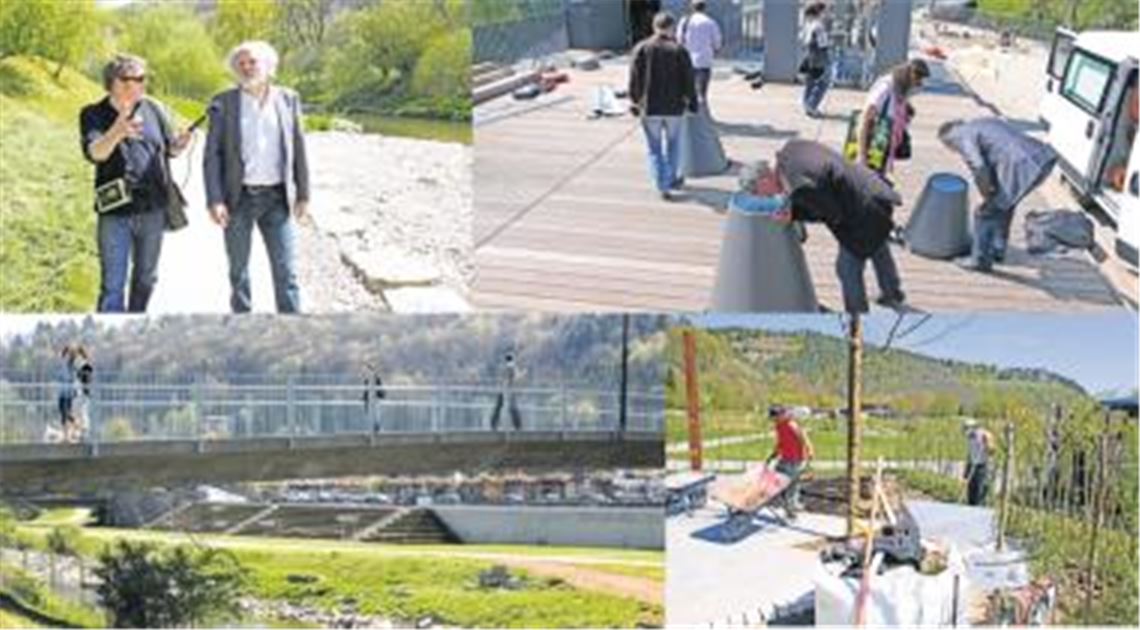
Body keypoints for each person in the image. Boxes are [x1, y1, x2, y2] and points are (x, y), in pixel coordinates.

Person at [80, 54, 192, 312]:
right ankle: (109, 338)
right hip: (115, 210)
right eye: (126, 79)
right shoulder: (93, 113)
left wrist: (178, 145)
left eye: (140, 79)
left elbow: (168, 150)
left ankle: (135, 321)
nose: (134, 85)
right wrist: (117, 132)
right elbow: (95, 153)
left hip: (152, 208)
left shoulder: (154, 108)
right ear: (110, 82)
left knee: (146, 279)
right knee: (112, 286)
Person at [205, 40, 309, 314]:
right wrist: (215, 200)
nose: (247, 67)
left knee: (286, 271)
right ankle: (243, 324)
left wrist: (303, 195)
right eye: (241, 63)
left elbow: (298, 148)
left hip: (277, 198)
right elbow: (212, 156)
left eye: (252, 62)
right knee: (238, 272)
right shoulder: (222, 102)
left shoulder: (288, 99)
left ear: (268, 66)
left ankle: (292, 328)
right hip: (238, 199)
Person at [748, 140, 907, 312]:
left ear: (764, 180)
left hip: (863, 213)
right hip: (874, 190)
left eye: (760, 192)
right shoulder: (791, 148)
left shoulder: (799, 185)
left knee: (847, 270)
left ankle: (858, 320)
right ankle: (893, 292)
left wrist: (794, 213)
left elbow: (832, 214)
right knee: (878, 243)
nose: (766, 197)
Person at [938, 117, 1058, 272]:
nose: (954, 150)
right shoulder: (982, 123)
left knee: (984, 213)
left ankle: (979, 260)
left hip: (1020, 165)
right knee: (1004, 204)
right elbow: (997, 152)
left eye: (951, 147)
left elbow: (979, 166)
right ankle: (997, 248)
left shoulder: (961, 135)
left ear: (948, 140)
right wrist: (991, 190)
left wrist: (986, 193)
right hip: (1042, 158)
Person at [628, 11, 700, 200]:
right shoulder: (679, 50)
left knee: (654, 148)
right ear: (671, 28)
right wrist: (693, 104)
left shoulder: (641, 48)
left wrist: (634, 101)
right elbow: (689, 81)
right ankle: (671, 178)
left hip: (649, 107)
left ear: (654, 27)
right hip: (674, 108)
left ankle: (663, 185)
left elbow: (634, 79)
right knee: (674, 144)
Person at [856, 59, 929, 180]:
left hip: (881, 151)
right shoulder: (886, 87)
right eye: (917, 80)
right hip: (871, 150)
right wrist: (862, 157)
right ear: (911, 74)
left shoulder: (898, 89)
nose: (917, 85)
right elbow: (865, 118)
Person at [764, 405, 814, 521]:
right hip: (785, 458)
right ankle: (792, 504)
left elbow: (803, 437)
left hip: (796, 459)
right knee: (781, 480)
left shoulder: (791, 425)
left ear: (782, 415)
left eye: (776, 417)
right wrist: (774, 454)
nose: (774, 420)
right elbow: (781, 441)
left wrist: (809, 450)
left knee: (791, 484)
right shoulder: (779, 426)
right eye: (773, 418)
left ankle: (791, 510)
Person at [678, 0, 722, 106]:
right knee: (702, 83)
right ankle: (702, 100)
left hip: (687, 57)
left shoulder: (685, 21)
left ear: (692, 8)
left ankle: (689, 101)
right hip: (704, 58)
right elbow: (717, 40)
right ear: (704, 8)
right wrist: (716, 49)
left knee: (688, 82)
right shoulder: (710, 22)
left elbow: (679, 39)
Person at [799, 2, 831, 118]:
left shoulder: (809, 25)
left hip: (810, 57)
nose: (826, 14)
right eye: (825, 11)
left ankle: (807, 104)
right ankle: (812, 106)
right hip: (819, 58)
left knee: (810, 82)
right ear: (819, 12)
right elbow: (823, 45)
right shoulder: (818, 26)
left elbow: (806, 42)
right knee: (823, 83)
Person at [962, 419, 994, 506]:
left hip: (982, 468)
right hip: (972, 466)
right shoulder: (970, 438)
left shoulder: (984, 435)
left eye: (966, 428)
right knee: (970, 494)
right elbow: (970, 454)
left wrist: (987, 443)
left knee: (979, 494)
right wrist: (966, 471)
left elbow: (992, 451)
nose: (965, 431)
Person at [489, 352, 521, 431]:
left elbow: (505, 378)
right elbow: (513, 378)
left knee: (500, 407)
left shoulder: (506, 367)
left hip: (504, 390)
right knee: (512, 408)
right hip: (508, 390)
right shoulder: (512, 367)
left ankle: (493, 425)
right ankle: (517, 426)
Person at [363, 363, 386, 434]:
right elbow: (366, 391)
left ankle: (377, 429)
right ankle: (371, 430)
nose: (366, 372)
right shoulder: (366, 380)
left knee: (376, 415)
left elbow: (380, 389)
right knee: (369, 415)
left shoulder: (377, 379)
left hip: (376, 400)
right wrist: (364, 398)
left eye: (367, 371)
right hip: (369, 401)